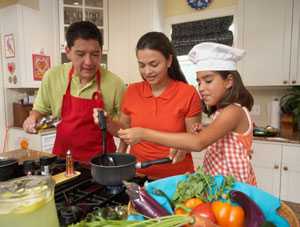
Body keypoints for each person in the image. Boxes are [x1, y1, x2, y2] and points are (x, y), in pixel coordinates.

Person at [119, 42, 257, 185]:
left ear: (229, 81)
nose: (201, 88)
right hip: (218, 185)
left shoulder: (234, 111)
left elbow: (198, 143)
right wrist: (196, 136)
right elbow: (218, 141)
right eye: (199, 82)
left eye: (208, 81)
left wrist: (143, 133)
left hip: (236, 188)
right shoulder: (222, 112)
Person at [94, 32, 202, 179]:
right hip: (138, 174)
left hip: (177, 177)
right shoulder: (132, 91)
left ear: (169, 60)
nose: (147, 71)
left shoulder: (188, 93)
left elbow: (193, 139)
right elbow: (124, 132)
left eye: (154, 64)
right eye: (142, 65)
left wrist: (182, 148)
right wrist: (107, 122)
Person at [23, 21, 126, 163]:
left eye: (95, 54)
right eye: (80, 54)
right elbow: (39, 110)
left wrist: (108, 123)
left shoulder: (116, 84)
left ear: (101, 51)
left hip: (102, 165)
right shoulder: (53, 76)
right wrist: (32, 119)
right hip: (63, 161)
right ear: (68, 51)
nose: (88, 62)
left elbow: (126, 132)